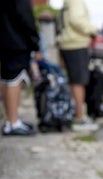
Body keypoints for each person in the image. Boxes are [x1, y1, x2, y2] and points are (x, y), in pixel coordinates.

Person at [0, 0, 42, 136]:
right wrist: (35, 42)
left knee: (7, 79)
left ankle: (10, 121)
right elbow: (25, 17)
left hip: (5, 40)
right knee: (14, 80)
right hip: (17, 41)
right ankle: (13, 122)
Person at [57, 0, 98, 131]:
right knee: (78, 82)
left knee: (74, 81)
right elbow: (76, 20)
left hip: (68, 44)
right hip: (76, 44)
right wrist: (92, 31)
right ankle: (80, 119)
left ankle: (76, 114)